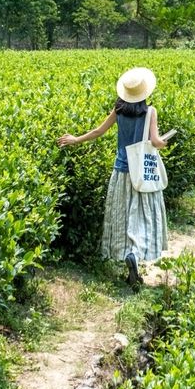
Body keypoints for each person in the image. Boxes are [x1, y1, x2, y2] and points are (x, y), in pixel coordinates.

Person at [57, 67, 169, 287]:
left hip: (120, 172)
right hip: (142, 176)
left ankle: (127, 254)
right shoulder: (150, 112)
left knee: (123, 217)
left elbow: (98, 131)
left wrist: (75, 139)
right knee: (142, 217)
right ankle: (135, 254)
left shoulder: (118, 111)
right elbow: (155, 141)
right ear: (145, 92)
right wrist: (163, 142)